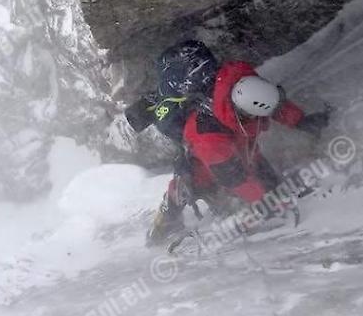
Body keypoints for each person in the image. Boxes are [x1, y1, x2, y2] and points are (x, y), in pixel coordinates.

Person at [140, 55, 330, 246]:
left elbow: (270, 104)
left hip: (245, 155)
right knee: (186, 192)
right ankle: (162, 228)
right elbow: (235, 179)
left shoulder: (244, 84)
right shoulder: (207, 134)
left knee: (274, 191)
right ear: (245, 113)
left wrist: (299, 120)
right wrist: (271, 204)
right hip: (205, 171)